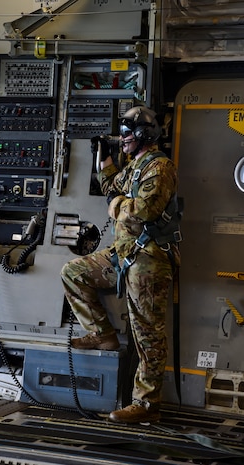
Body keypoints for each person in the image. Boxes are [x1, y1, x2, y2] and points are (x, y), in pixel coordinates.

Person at [61, 105, 181, 424]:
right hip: (124, 253)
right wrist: (105, 157)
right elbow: (111, 187)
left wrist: (117, 206)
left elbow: (144, 210)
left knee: (148, 334)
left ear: (142, 134)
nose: (122, 138)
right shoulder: (135, 165)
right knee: (74, 273)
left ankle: (145, 404)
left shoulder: (160, 167)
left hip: (149, 261)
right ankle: (102, 333)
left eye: (126, 133)